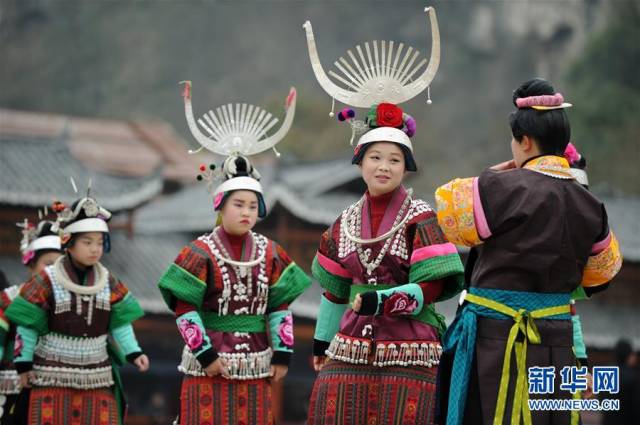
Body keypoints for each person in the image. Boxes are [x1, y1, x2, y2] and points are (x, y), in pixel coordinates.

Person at [435, 78, 623, 425]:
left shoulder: (500, 188)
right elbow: (602, 273)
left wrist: (494, 174)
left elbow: (448, 215)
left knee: (488, 413)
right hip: (555, 338)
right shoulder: (590, 205)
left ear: (524, 140)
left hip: (495, 336)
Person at [158, 82, 310, 425]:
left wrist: (283, 355)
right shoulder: (199, 253)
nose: (246, 212)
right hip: (208, 364)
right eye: (238, 204)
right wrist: (206, 354)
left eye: (253, 205)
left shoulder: (271, 252)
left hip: (257, 363)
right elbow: (185, 309)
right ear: (220, 205)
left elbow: (280, 307)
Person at [6, 192, 149, 425]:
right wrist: (23, 364)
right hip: (50, 376)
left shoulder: (108, 280)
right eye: (87, 242)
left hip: (96, 376)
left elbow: (120, 321)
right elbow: (28, 323)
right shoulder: (47, 279)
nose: (95, 249)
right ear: (68, 243)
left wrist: (134, 352)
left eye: (100, 242)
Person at [0, 216, 63, 424]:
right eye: (47, 264)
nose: (52, 271)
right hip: (13, 386)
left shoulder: (70, 303)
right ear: (31, 263)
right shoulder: (11, 298)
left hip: (57, 387)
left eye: (60, 265)